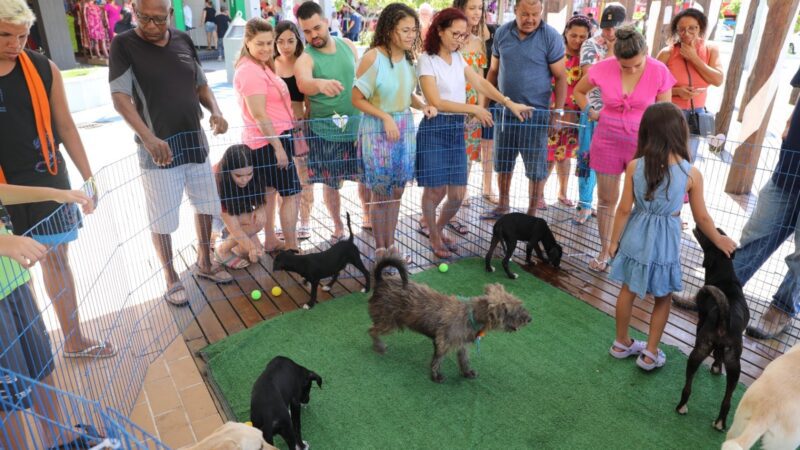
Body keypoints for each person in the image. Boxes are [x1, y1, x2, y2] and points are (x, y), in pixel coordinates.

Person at [0, 0, 115, 358]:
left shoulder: (43, 67)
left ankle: (73, 339)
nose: (14, 44)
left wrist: (88, 176)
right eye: (5, 35)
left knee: (56, 259)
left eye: (22, 36)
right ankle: (33, 347)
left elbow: (65, 125)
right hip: (5, 189)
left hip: (49, 177)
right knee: (16, 275)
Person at [110, 0, 233, 306]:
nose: (151, 26)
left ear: (170, 14)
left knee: (207, 205)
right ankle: (170, 277)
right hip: (158, 150)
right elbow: (120, 98)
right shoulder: (123, 44)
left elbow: (201, 85)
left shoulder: (183, 39)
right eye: (144, 18)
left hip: (195, 140)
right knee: (162, 219)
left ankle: (205, 262)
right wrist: (147, 137)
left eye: (158, 19)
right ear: (134, 13)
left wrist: (216, 111)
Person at [607, 102, 736, 371]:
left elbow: (622, 209)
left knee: (627, 290)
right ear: (680, 134)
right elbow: (702, 218)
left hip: (635, 236)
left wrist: (613, 241)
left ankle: (621, 343)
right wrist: (718, 239)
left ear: (646, 133)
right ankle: (650, 353)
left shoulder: (634, 166)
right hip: (665, 242)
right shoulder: (691, 173)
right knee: (663, 297)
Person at [674, 67, 800, 340]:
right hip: (790, 165)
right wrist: (791, 119)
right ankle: (717, 292)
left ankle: (782, 308)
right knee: (756, 233)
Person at [416, 7, 530, 259]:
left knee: (456, 194)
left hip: (456, 129)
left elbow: (481, 83)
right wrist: (474, 109)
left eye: (463, 35)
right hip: (435, 129)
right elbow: (435, 101)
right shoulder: (426, 59)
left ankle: (437, 228)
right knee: (435, 191)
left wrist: (509, 103)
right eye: (455, 34)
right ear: (439, 31)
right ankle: (434, 236)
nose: (460, 39)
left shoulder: (458, 58)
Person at [0, 184, 105, 450]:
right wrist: (5, 242)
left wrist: (53, 193)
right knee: (6, 392)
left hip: (13, 280)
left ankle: (57, 436)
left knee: (39, 361)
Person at [573, 27, 675, 273]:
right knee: (606, 200)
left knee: (641, 202)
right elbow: (578, 91)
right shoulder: (604, 67)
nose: (630, 69)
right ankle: (605, 250)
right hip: (607, 139)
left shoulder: (659, 70)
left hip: (643, 144)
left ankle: (632, 255)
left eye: (636, 65)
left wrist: (663, 148)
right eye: (624, 66)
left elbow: (667, 113)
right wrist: (591, 112)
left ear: (645, 53)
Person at [352, 2, 437, 261]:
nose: (412, 35)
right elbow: (356, 98)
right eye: (405, 30)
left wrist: (423, 105)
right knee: (382, 192)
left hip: (403, 130)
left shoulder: (409, 59)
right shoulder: (373, 57)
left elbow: (406, 92)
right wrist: (385, 117)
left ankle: (392, 245)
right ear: (389, 30)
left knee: (397, 191)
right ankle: (381, 249)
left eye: (414, 30)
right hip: (378, 130)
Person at [482, 0, 567, 219]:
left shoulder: (551, 36)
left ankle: (531, 211)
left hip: (536, 114)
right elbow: (493, 71)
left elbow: (560, 77)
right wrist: (483, 106)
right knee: (502, 161)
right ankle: (503, 204)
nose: (530, 19)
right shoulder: (501, 33)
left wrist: (556, 114)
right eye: (525, 14)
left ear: (541, 12)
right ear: (515, 11)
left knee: (536, 167)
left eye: (535, 14)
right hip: (504, 112)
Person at [295, 1, 370, 242]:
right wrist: (319, 84)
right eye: (306, 31)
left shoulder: (348, 45)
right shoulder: (305, 58)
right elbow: (303, 82)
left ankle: (367, 216)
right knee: (331, 183)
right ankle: (338, 225)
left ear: (327, 22)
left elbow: (360, 78)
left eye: (316, 28)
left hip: (356, 128)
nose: (313, 35)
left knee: (364, 178)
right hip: (324, 132)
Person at [233, 17, 302, 254]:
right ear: (248, 42)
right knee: (291, 194)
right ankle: (292, 248)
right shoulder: (250, 71)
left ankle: (271, 239)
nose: (265, 48)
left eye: (268, 43)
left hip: (273, 138)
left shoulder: (261, 65)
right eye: (259, 43)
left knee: (270, 194)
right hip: (269, 141)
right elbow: (259, 115)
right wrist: (279, 148)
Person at [573, 2, 625, 225]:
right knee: (587, 157)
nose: (609, 32)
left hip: (621, 115)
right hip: (593, 111)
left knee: (615, 163)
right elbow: (592, 77)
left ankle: (608, 206)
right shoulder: (590, 45)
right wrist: (613, 53)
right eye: (606, 27)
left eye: (614, 27)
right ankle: (585, 204)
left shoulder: (635, 45)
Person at [656, 7, 723, 160]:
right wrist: (677, 92)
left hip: (696, 114)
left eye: (692, 28)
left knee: (687, 159)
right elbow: (652, 87)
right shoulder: (667, 53)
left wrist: (694, 58)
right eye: (681, 29)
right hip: (669, 112)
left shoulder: (711, 49)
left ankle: (683, 184)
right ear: (676, 31)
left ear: (701, 28)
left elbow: (718, 80)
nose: (687, 33)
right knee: (665, 158)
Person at [542, 15, 592, 210]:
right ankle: (539, 194)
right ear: (566, 34)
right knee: (549, 155)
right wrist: (555, 111)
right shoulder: (557, 55)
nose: (578, 40)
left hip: (576, 115)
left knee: (566, 155)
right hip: (556, 112)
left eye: (583, 36)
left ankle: (562, 192)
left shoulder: (587, 60)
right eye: (574, 35)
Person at [453, 0, 496, 208]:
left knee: (468, 154)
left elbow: (481, 78)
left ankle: (463, 188)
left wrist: (480, 108)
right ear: (460, 9)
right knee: (452, 153)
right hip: (452, 105)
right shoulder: (448, 39)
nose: (477, 12)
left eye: (480, 8)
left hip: (473, 108)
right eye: (472, 8)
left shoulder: (478, 41)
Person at [275, 20, 313, 241]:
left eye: (290, 40)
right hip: (278, 128)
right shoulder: (270, 63)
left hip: (299, 127)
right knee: (282, 175)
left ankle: (306, 220)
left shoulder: (303, 62)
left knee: (304, 176)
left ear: (297, 40)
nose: (285, 46)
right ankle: (285, 222)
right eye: (280, 41)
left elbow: (309, 100)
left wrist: (304, 120)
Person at [213, 145, 267, 269]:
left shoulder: (257, 174)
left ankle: (234, 239)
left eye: (249, 174)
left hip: (236, 207)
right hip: (215, 214)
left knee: (257, 223)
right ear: (228, 172)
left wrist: (260, 208)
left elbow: (260, 198)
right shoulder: (217, 183)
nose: (244, 180)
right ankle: (221, 250)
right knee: (249, 249)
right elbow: (235, 228)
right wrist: (251, 248)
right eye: (238, 176)